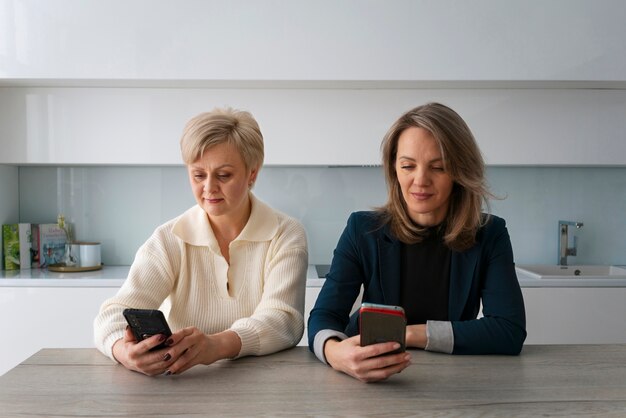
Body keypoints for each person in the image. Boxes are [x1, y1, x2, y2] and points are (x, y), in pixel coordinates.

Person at [308, 102, 526, 382]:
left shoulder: (490, 234)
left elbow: (509, 331)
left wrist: (407, 334)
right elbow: (324, 315)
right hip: (370, 378)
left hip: (453, 379)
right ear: (394, 168)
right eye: (408, 166)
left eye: (438, 167)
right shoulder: (362, 229)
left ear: (460, 172)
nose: (420, 180)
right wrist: (335, 353)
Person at [94, 108, 308, 376]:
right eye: (198, 175)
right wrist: (122, 351)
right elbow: (112, 314)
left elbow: (284, 320)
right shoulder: (168, 239)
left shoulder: (286, 234)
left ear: (252, 173)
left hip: (264, 385)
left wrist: (216, 345)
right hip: (184, 385)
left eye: (224, 175)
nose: (209, 188)